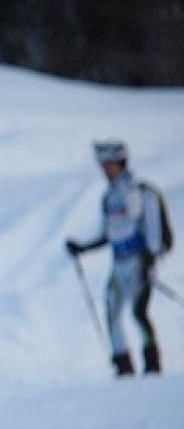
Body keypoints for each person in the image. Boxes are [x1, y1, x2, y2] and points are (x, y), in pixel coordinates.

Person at [66, 140, 170, 376]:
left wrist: (151, 259)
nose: (105, 170)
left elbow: (154, 230)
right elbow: (108, 233)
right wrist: (82, 247)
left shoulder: (142, 192)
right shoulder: (109, 198)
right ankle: (123, 364)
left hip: (139, 261)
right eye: (103, 165)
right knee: (112, 310)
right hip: (119, 262)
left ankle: (152, 362)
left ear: (120, 163)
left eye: (109, 164)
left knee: (138, 311)